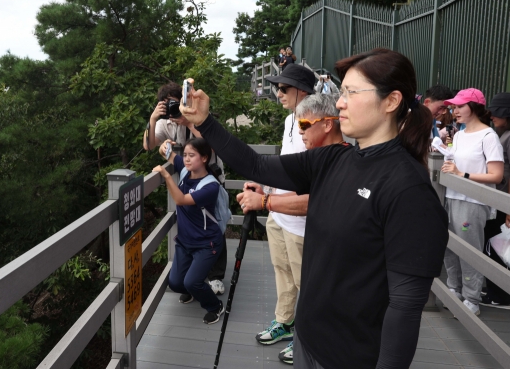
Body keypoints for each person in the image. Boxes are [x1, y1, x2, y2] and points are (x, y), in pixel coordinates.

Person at [181, 48, 448, 369]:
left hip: (350, 357)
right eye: (341, 92)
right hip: (309, 341)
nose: (339, 102)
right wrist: (205, 122)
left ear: (391, 101)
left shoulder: (410, 190)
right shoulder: (335, 158)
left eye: (351, 93)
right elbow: (255, 164)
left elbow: (405, 306)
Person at [236, 93, 344, 365]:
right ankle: (286, 322)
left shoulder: (337, 158)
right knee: (283, 271)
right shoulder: (307, 146)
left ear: (328, 124)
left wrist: (264, 201)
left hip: (304, 228)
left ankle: (307, 339)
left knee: (307, 285)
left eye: (305, 125)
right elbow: (271, 170)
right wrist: (268, 195)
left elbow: (313, 201)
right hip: (280, 218)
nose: (299, 130)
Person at [143, 82, 227, 295]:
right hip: (187, 178)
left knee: (215, 223)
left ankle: (216, 276)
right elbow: (148, 145)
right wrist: (153, 119)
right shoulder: (165, 124)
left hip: (210, 177)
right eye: (167, 105)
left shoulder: (196, 116)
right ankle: (194, 278)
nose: (173, 109)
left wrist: (189, 123)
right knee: (192, 224)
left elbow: (212, 146)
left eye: (175, 103)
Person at [441, 88, 504, 316]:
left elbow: (496, 175)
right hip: (449, 197)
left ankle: (471, 300)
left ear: (474, 107)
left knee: (469, 251)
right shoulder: (458, 134)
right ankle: (453, 290)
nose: (454, 110)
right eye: (454, 106)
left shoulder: (489, 137)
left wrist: (462, 175)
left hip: (473, 201)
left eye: (460, 106)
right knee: (448, 248)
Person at [152, 137, 225, 324]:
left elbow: (181, 200)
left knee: (192, 282)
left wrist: (167, 176)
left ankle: (215, 306)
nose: (186, 159)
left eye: (192, 155)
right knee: (176, 283)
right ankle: (192, 292)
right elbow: (166, 153)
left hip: (206, 243)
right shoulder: (185, 170)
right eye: (185, 155)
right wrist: (164, 146)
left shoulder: (210, 186)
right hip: (185, 242)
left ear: (204, 158)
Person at [481, 92, 510, 307]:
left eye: (497, 112)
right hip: (500, 198)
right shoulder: (503, 134)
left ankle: (500, 294)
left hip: (504, 201)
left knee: (498, 245)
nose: (492, 117)